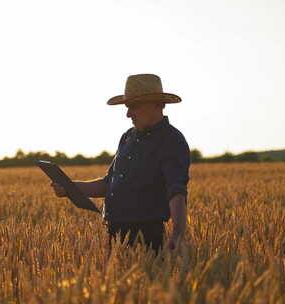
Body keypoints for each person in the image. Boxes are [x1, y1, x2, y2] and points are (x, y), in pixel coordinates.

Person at [51, 74, 190, 253]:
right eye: (127, 107)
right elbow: (109, 184)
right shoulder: (128, 137)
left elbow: (176, 191)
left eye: (134, 106)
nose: (128, 114)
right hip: (114, 233)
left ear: (157, 104)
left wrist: (178, 233)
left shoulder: (171, 140)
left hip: (146, 235)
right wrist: (69, 186)